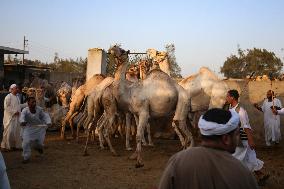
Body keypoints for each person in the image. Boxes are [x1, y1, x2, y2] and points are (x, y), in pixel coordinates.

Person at [159, 108, 258, 189]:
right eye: (236, 134)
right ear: (226, 139)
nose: (238, 139)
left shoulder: (177, 160)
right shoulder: (242, 172)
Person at [226, 89, 269, 185]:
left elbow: (246, 126)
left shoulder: (240, 111)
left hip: (242, 139)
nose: (226, 98)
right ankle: (261, 175)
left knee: (235, 159)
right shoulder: (230, 108)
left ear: (232, 97)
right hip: (236, 138)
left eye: (227, 96)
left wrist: (250, 140)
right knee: (249, 158)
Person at [20, 96, 51, 163]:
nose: (34, 103)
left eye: (35, 102)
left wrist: (48, 122)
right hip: (28, 129)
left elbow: (45, 116)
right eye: (32, 102)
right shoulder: (25, 110)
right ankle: (26, 157)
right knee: (25, 143)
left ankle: (39, 149)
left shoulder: (39, 109)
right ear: (28, 103)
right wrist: (22, 122)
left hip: (39, 129)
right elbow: (22, 117)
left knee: (39, 143)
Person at [1, 84, 22, 151]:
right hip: (10, 118)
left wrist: (26, 105)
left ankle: (14, 146)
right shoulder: (8, 96)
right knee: (9, 132)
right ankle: (5, 146)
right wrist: (14, 112)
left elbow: (18, 106)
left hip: (16, 118)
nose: (17, 89)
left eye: (17, 88)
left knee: (16, 132)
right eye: (16, 88)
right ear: (12, 89)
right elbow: (6, 107)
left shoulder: (17, 97)